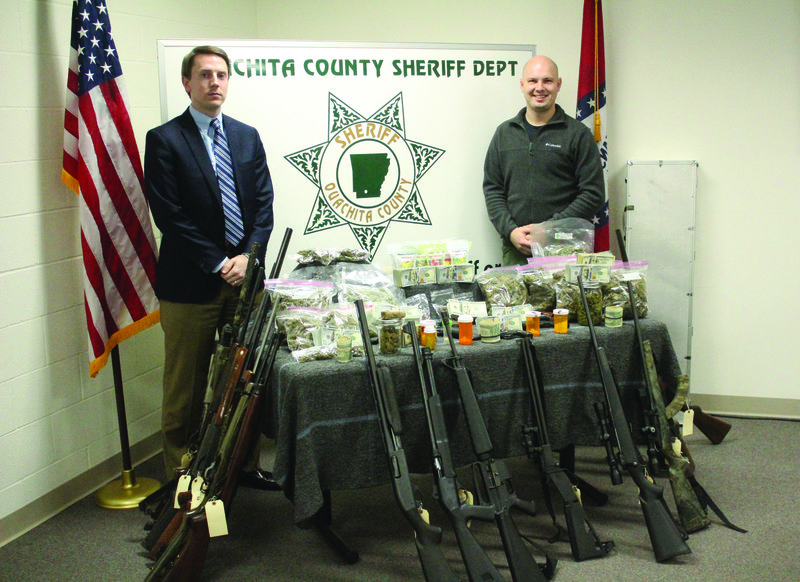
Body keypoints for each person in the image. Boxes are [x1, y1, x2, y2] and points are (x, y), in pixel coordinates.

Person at [145, 45, 276, 485]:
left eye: (221, 75)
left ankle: (242, 464)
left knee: (244, 380)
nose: (214, 82)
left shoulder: (246, 136)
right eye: (204, 75)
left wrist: (247, 257)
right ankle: (179, 477)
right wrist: (220, 261)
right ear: (187, 83)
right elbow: (169, 216)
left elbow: (263, 207)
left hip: (246, 281)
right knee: (186, 388)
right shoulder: (165, 140)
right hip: (190, 285)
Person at [483, 55, 605, 265]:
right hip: (517, 249)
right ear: (522, 85)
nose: (540, 87)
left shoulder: (578, 135)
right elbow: (493, 189)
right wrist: (510, 231)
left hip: (564, 247)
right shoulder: (504, 134)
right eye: (533, 81)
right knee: (516, 300)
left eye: (547, 81)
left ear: (558, 85)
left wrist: (549, 229)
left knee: (567, 300)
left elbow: (593, 194)